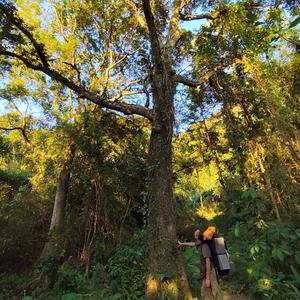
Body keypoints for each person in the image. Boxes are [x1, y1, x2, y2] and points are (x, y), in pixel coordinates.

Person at [178, 229, 223, 300]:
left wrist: (208, 278)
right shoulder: (200, 243)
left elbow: (208, 263)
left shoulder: (204, 246)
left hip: (210, 272)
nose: (195, 237)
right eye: (195, 235)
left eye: (196, 235)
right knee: (205, 292)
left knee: (216, 291)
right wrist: (182, 244)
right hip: (205, 273)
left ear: (199, 236)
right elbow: (192, 243)